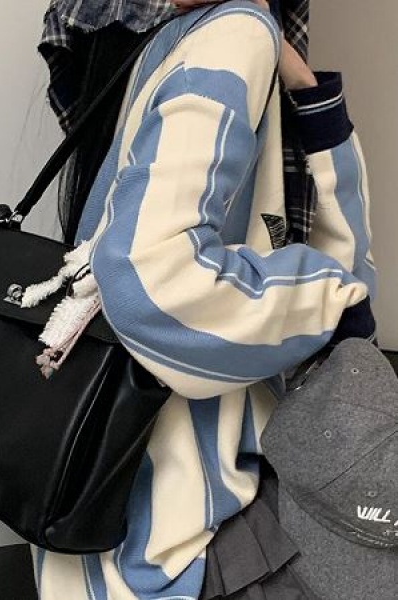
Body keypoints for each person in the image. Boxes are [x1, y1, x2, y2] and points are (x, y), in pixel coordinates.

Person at [29, 1, 377, 598]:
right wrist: (333, 299)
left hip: (106, 533)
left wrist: (308, 93)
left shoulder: (164, 43)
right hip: (187, 546)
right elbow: (149, 282)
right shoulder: (231, 35)